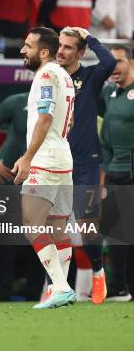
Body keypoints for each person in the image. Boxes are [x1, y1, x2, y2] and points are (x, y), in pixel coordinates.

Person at [12, 26, 76, 309]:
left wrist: (27, 158)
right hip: (63, 159)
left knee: (31, 223)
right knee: (58, 230)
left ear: (44, 52)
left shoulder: (47, 74)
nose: (23, 50)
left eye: (28, 45)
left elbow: (46, 118)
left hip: (46, 161)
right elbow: (68, 121)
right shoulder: (66, 75)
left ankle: (60, 288)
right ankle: (62, 289)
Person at [56, 26, 116, 303]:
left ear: (80, 52)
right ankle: (55, 284)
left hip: (86, 163)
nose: (61, 50)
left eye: (69, 47)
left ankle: (98, 272)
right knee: (50, 225)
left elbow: (110, 62)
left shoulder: (91, 77)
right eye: (60, 45)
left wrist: (89, 37)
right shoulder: (49, 78)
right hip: (56, 161)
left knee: (86, 224)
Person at [0, 92, 46, 300]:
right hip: (10, 180)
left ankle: (34, 295)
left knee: (37, 238)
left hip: (41, 181)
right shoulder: (17, 101)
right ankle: (2, 294)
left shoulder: (60, 104)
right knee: (5, 239)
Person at [99, 45, 134, 302]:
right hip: (114, 172)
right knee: (116, 234)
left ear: (131, 63)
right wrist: (108, 166)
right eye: (112, 63)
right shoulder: (109, 92)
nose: (115, 67)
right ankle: (119, 287)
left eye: (119, 61)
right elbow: (107, 134)